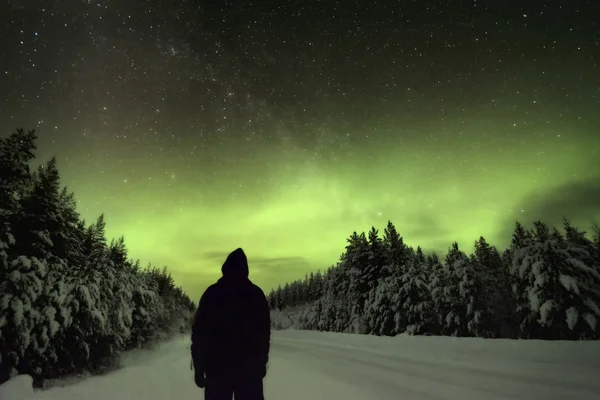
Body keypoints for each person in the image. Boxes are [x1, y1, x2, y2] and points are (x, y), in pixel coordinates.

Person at [191, 248, 271, 400]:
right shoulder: (256, 294)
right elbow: (264, 334)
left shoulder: (212, 293)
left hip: (217, 371)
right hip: (249, 371)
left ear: (225, 268)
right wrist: (261, 362)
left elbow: (199, 333)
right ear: (245, 269)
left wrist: (199, 367)